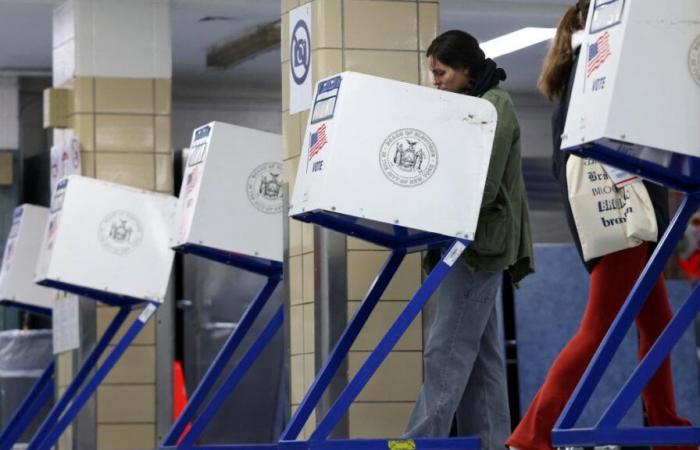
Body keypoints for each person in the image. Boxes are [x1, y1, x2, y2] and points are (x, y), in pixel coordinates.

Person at [506, 2, 693, 449]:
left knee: (656, 323)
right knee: (598, 327)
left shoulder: (584, 70)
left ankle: (666, 425)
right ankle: (531, 432)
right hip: (621, 215)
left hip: (621, 214)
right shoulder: (598, 68)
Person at [404, 30, 534, 450]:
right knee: (481, 357)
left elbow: (485, 182)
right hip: (465, 241)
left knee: (447, 348)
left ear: (465, 70)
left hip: (477, 246)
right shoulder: (470, 106)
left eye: (441, 72)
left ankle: (422, 442)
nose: (436, 81)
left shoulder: (495, 106)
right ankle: (493, 441)